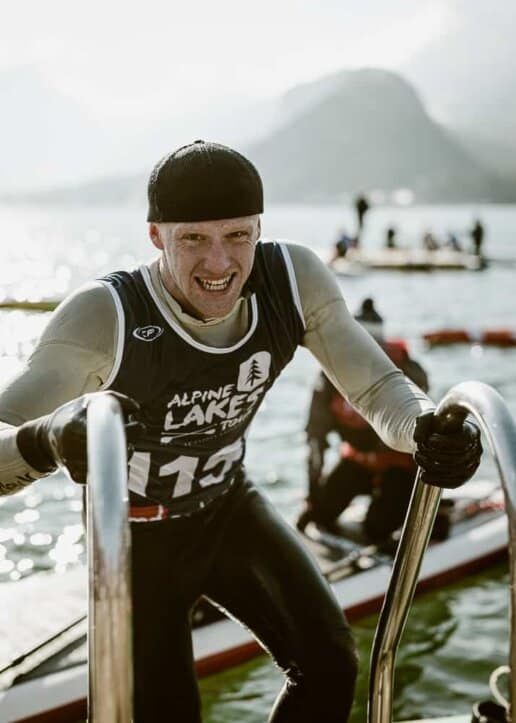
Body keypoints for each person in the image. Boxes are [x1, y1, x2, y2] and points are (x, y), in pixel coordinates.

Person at [0, 141, 482, 723]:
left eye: (237, 236)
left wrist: (428, 430)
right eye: (194, 240)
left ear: (259, 229)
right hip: (134, 542)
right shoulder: (103, 316)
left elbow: (379, 388)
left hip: (228, 506)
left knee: (332, 665)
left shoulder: (292, 279)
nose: (219, 264)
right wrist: (48, 437)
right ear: (157, 236)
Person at [296, 299, 437, 544]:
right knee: (320, 513)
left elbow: (426, 435)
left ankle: (430, 518)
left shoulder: (408, 372)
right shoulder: (329, 379)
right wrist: (312, 493)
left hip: (400, 465)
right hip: (358, 460)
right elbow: (315, 440)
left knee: (376, 529)